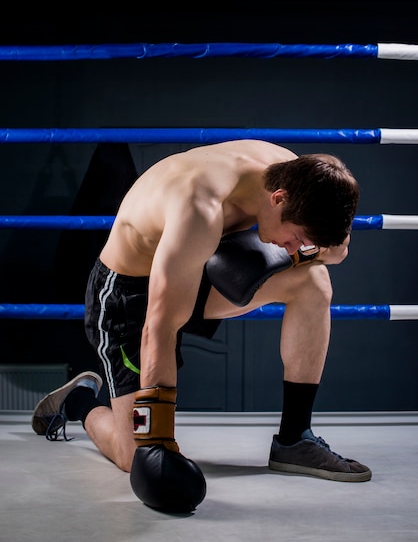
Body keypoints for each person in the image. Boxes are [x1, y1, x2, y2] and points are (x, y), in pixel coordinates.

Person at [32, 140, 371, 512]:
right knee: (135, 456)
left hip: (189, 272)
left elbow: (338, 250)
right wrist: (158, 440)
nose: (292, 249)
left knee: (314, 281)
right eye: (296, 238)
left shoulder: (300, 177)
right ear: (278, 199)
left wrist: (307, 247)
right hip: (129, 298)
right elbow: (158, 327)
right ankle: (79, 401)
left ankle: (294, 439)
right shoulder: (200, 206)